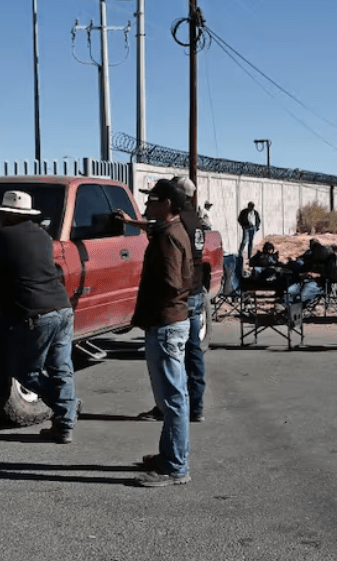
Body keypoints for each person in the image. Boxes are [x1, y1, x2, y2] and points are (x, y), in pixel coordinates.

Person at [0, 190, 78, 444]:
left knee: (25, 371)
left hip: (36, 313)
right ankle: (65, 424)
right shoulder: (43, 236)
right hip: (62, 307)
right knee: (61, 368)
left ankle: (67, 406)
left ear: (8, 214)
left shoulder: (3, 236)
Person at [130, 179, 193, 487]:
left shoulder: (168, 237)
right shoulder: (171, 230)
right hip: (170, 322)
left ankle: (175, 466)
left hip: (166, 324)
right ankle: (170, 456)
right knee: (173, 398)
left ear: (167, 204)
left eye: (152, 200)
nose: (146, 205)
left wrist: (150, 309)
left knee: (172, 399)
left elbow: (171, 283)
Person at [133, 176, 207, 424]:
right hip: (194, 291)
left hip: (180, 300)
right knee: (192, 354)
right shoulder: (194, 219)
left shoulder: (177, 225)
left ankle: (175, 409)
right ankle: (195, 406)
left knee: (174, 365)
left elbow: (171, 279)